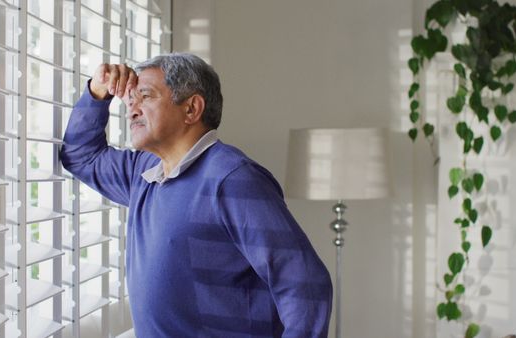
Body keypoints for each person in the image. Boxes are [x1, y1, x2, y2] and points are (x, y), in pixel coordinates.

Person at [60, 53, 332, 337]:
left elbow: (306, 285)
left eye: (145, 97)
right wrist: (97, 92)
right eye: (130, 99)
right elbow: (81, 157)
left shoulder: (234, 179)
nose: (132, 110)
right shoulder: (145, 171)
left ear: (191, 108)